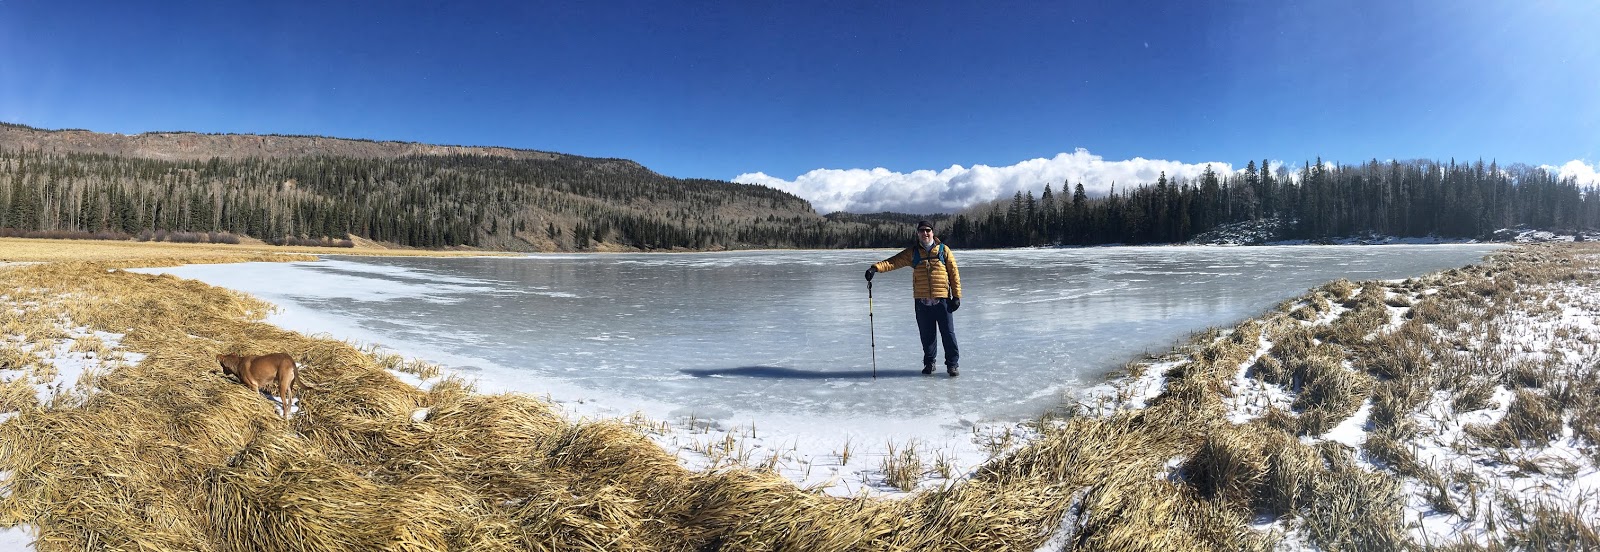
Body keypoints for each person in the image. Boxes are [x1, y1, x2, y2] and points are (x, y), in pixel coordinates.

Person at [864, 220, 963, 376]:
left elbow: (954, 274)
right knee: (927, 335)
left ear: (933, 232)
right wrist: (875, 268)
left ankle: (952, 364)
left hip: (942, 300)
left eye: (928, 230)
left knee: (948, 335)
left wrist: (956, 296)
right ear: (918, 233)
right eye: (922, 231)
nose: (925, 233)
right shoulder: (913, 253)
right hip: (922, 302)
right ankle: (929, 363)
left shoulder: (944, 251)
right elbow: (893, 262)